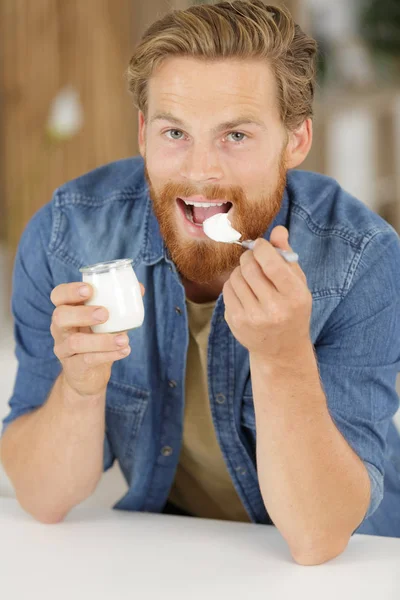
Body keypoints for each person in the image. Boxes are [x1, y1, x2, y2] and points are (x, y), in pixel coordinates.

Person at [0, 0, 399, 566]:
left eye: (235, 134)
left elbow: (318, 539)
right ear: (143, 133)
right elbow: (42, 498)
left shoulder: (363, 259)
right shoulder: (68, 237)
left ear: (296, 140)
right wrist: (79, 388)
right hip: (175, 558)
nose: (200, 170)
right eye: (175, 132)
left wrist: (283, 356)